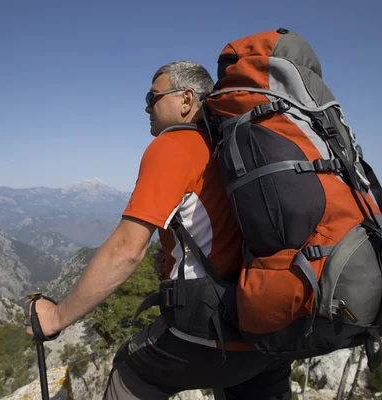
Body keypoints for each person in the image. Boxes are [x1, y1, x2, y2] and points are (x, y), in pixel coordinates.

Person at [25, 61, 292, 400]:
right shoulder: (231, 148)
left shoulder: (173, 146)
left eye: (153, 97)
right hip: (273, 323)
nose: (146, 107)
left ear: (186, 99)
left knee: (130, 371)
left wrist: (56, 316)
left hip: (216, 329)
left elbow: (126, 250)